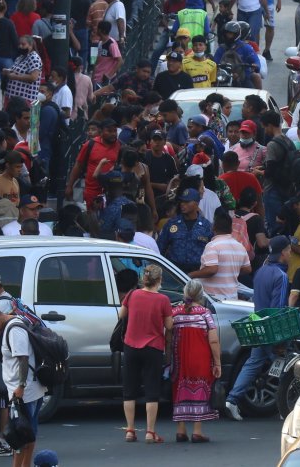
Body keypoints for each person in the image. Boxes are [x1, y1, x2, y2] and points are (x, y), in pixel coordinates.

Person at [224, 237, 291, 421]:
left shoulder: (261, 272)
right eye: (289, 249)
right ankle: (285, 407)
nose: (290, 253)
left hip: (259, 326)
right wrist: (279, 340)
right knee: (287, 365)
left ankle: (232, 399)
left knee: (253, 364)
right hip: (272, 330)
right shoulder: (281, 276)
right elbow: (277, 309)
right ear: (284, 252)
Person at [0, 304, 46, 467]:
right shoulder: (10, 324)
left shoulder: (14, 330)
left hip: (25, 391)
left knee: (20, 435)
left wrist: (21, 386)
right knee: (26, 434)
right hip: (25, 390)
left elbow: (23, 358)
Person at [116, 265, 174, 444]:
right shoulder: (163, 300)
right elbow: (170, 326)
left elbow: (121, 315)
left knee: (129, 391)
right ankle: (150, 432)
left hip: (131, 346)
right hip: (153, 348)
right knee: (152, 392)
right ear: (160, 280)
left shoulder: (132, 295)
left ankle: (130, 430)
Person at [169, 279, 220, 443]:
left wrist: (167, 357)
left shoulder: (175, 312)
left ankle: (180, 430)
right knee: (199, 389)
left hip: (179, 359)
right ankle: (197, 431)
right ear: (201, 294)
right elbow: (213, 340)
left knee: (179, 389)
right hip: (200, 358)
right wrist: (218, 362)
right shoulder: (204, 313)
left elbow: (168, 336)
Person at [189, 208, 251, 301]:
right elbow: (247, 269)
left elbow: (211, 269)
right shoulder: (239, 246)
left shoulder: (212, 245)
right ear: (230, 229)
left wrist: (191, 275)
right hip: (232, 297)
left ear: (213, 227)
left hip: (214, 299)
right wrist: (230, 272)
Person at [156, 188, 213, 273]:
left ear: (196, 203)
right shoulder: (171, 223)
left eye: (187, 202)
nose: (182, 204)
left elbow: (212, 254)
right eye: (182, 201)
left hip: (198, 273)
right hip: (174, 273)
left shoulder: (206, 226)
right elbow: (160, 248)